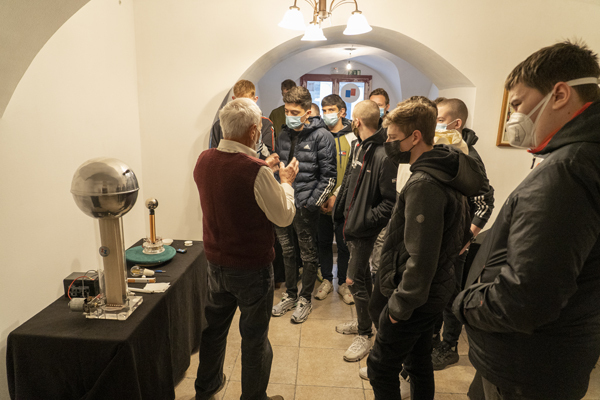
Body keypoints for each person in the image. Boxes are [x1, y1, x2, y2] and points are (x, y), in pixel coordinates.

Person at [453, 40, 600, 400]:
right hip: (537, 358)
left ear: (559, 94)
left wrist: (464, 303)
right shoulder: (576, 157)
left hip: (526, 366)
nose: (512, 117)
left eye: (517, 104)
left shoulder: (567, 170)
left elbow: (526, 298)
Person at [365, 96, 484, 400]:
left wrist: (399, 306)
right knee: (418, 361)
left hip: (416, 299)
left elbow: (421, 257)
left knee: (381, 367)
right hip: (433, 292)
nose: (388, 144)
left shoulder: (425, 184)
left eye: (393, 138)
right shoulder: (445, 168)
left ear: (415, 136)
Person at [193, 98, 299, 400]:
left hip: (215, 262)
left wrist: (265, 174)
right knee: (254, 338)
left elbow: (229, 187)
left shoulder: (204, 160)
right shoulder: (255, 170)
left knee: (214, 330)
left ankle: (206, 388)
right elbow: (284, 216)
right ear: (254, 131)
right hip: (251, 268)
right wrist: (285, 183)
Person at [430, 97, 495, 370]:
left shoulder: (468, 156)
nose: (434, 124)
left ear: (456, 124)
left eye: (439, 120)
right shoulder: (442, 148)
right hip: (437, 239)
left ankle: (449, 347)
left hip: (455, 243)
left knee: (451, 296)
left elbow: (485, 202)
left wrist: (465, 239)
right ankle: (433, 341)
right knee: (434, 293)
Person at [333, 100, 397, 362]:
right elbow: (350, 183)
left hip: (363, 230)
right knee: (363, 279)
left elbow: (390, 202)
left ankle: (364, 334)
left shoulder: (383, 154)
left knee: (355, 282)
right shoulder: (359, 146)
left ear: (357, 121)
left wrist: (366, 221)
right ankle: (365, 322)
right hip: (351, 225)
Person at [271, 86, 337, 324]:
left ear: (308, 112)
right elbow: (279, 169)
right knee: (287, 252)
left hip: (306, 207)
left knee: (308, 255)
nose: (290, 116)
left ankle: (305, 298)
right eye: (287, 111)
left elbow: (329, 177)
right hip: (284, 203)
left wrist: (311, 204)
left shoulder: (322, 136)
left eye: (295, 112)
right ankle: (290, 294)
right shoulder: (282, 134)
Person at [315, 94, 355, 304]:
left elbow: (353, 172)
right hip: (321, 201)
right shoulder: (318, 135)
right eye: (324, 110)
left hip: (344, 201)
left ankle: (343, 284)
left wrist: (336, 195)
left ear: (342, 112)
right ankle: (327, 280)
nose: (327, 114)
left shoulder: (353, 138)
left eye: (331, 110)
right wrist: (323, 196)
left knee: (343, 244)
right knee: (322, 242)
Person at [209, 79, 274, 159]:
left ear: (255, 100)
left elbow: (269, 156)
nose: (244, 108)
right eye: (240, 102)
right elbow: (214, 154)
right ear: (234, 99)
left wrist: (258, 139)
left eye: (248, 103)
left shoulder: (265, 124)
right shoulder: (220, 124)